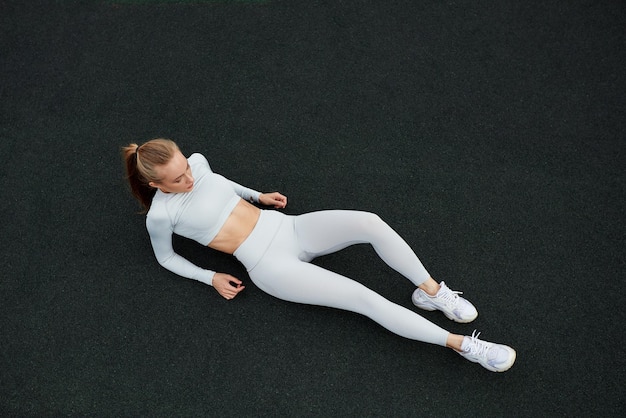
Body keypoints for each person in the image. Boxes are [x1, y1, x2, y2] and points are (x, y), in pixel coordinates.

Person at [122, 138, 516, 372]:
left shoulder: (198, 164)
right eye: (178, 179)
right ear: (158, 184)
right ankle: (465, 347)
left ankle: (430, 291)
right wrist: (211, 277)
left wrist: (257, 196)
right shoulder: (161, 215)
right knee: (365, 299)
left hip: (289, 227)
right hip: (269, 265)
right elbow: (166, 259)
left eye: (186, 168)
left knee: (370, 222)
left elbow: (222, 185)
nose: (189, 178)